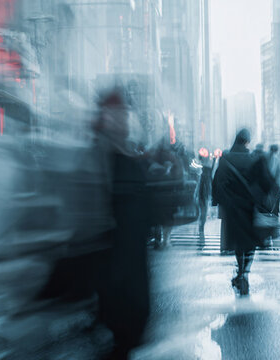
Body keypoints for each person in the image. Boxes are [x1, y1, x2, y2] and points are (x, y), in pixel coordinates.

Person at [91, 90, 154, 358]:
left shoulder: (127, 156)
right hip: (114, 262)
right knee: (121, 332)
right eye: (118, 114)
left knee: (129, 330)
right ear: (106, 117)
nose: (124, 120)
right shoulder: (99, 157)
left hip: (131, 259)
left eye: (125, 114)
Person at [212, 129, 275, 296]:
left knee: (237, 242)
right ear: (247, 141)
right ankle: (245, 272)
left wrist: (218, 201)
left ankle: (240, 269)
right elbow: (267, 182)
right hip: (249, 207)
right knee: (249, 242)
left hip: (231, 208)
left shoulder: (225, 159)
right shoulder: (255, 159)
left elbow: (217, 181)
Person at [196, 151, 214, 244]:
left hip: (202, 197)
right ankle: (201, 229)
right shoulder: (205, 176)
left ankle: (201, 228)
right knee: (203, 213)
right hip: (202, 197)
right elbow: (203, 188)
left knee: (202, 213)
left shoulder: (203, 175)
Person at [266, 144, 280, 215]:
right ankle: (274, 213)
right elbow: (279, 172)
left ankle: (269, 212)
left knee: (269, 200)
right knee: (274, 202)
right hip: (275, 183)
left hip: (269, 183)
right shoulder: (277, 158)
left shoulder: (267, 157)